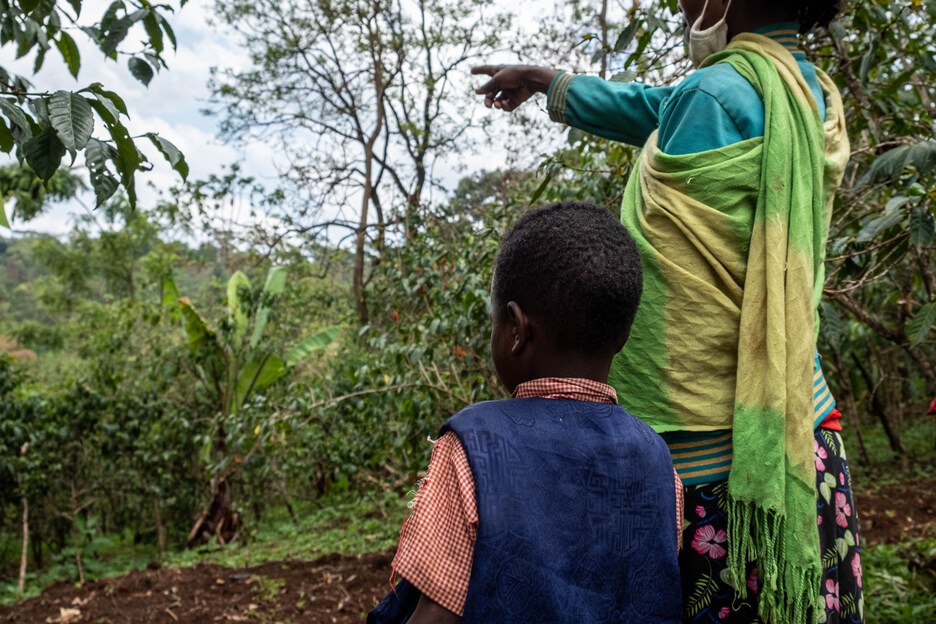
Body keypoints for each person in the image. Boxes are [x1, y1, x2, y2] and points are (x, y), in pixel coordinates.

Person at [472, 1, 862, 623]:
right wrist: (551, 82)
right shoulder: (810, 91)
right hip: (804, 428)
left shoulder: (711, 96)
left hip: (716, 461)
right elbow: (662, 106)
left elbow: (674, 106)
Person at [369, 201, 684, 624]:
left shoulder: (473, 447)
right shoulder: (661, 464)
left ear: (516, 329)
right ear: (624, 335)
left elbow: (437, 614)